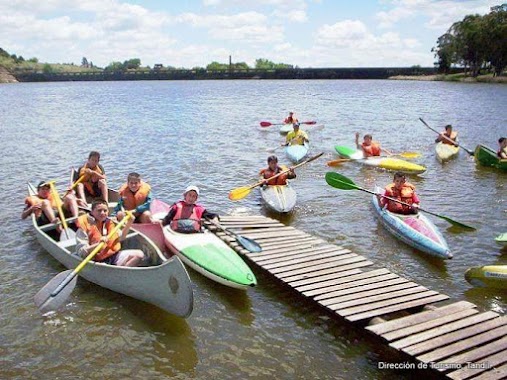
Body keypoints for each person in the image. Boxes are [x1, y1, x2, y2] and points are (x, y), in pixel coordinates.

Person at [75, 199, 144, 267]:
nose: (102, 213)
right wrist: (98, 245)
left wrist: (129, 222)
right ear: (92, 211)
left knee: (139, 254)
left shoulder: (108, 222)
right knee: (104, 266)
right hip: (96, 261)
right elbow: (81, 252)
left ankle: (122, 273)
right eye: (99, 210)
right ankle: (119, 273)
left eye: (105, 211)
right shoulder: (83, 227)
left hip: (113, 256)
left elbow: (122, 237)